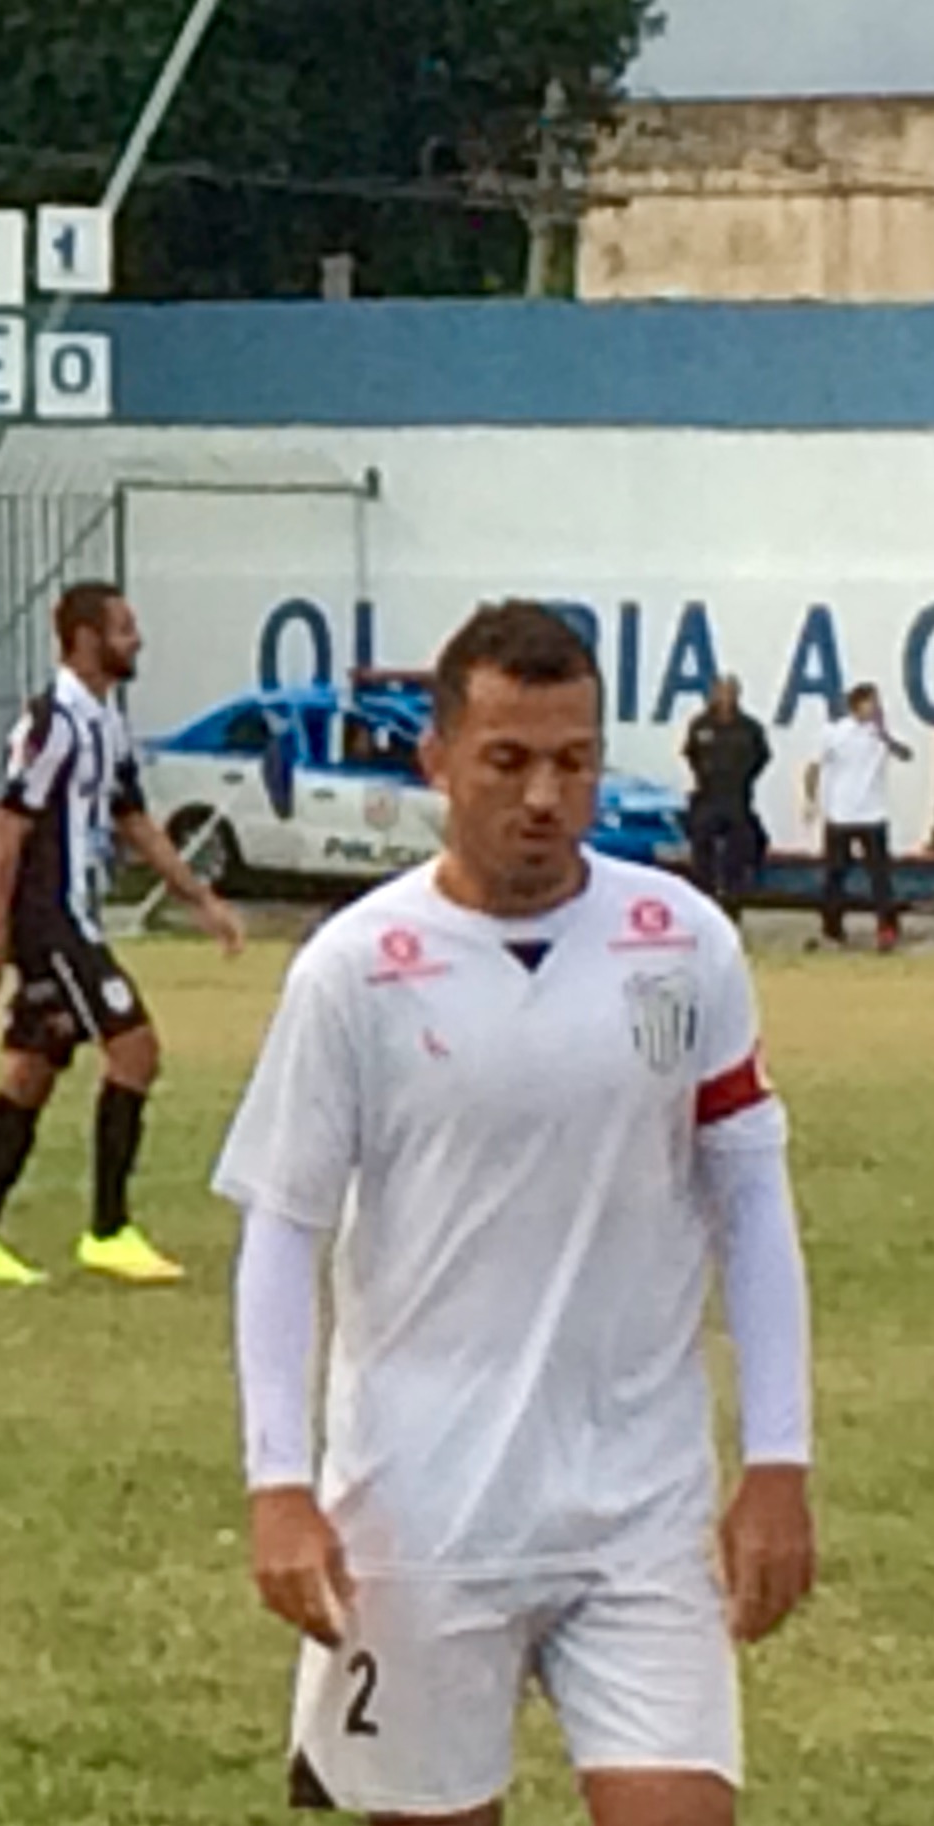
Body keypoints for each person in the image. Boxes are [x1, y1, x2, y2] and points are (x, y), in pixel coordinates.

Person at [217, 600, 815, 1826]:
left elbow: (751, 1197)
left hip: (635, 1505)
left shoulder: (681, 943)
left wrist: (778, 1462)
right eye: (507, 759)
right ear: (436, 760)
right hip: (420, 1510)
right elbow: (283, 1227)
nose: (543, 794)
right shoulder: (355, 965)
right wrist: (278, 1478)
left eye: (574, 759)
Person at [0, 583, 246, 1288]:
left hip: (72, 916)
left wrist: (198, 896)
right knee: (135, 1050)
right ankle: (107, 1229)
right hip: (50, 923)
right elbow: (8, 828)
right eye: (123, 629)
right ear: (84, 638)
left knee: (30, 1071)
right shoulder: (53, 724)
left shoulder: (104, 723)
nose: (136, 641)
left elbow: (133, 818)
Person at [803, 681, 910, 950]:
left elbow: (906, 754)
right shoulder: (835, 733)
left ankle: (887, 929)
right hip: (841, 815)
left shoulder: (881, 734)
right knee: (835, 876)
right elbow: (813, 767)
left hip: (873, 815)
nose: (875, 707)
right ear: (856, 706)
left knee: (880, 877)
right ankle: (833, 929)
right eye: (869, 702)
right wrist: (810, 800)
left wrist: (884, 735)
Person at [683, 676, 771, 919]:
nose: (723, 697)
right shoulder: (700, 725)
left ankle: (733, 911)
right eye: (719, 692)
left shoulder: (749, 727)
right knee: (702, 857)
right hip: (707, 798)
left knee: (737, 858)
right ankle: (701, 910)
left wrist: (742, 777)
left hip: (737, 800)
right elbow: (691, 755)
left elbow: (761, 757)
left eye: (729, 692)